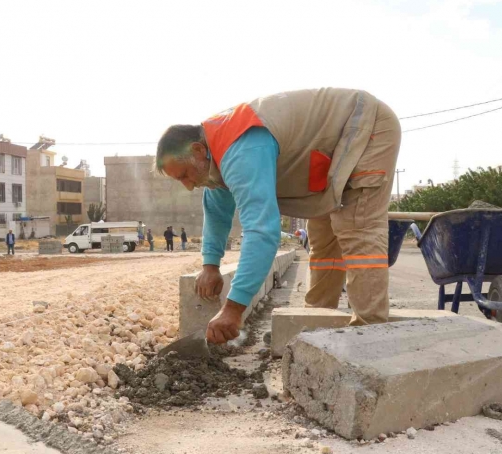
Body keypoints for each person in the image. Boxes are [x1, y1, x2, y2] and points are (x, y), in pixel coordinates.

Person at [154, 88, 400, 344]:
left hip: (365, 127)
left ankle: (370, 338)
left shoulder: (239, 147)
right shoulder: (215, 154)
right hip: (333, 152)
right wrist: (210, 266)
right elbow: (216, 212)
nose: (188, 186)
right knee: (323, 238)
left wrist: (233, 309)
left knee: (356, 227)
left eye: (184, 175)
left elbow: (261, 231)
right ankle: (315, 329)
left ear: (196, 150)